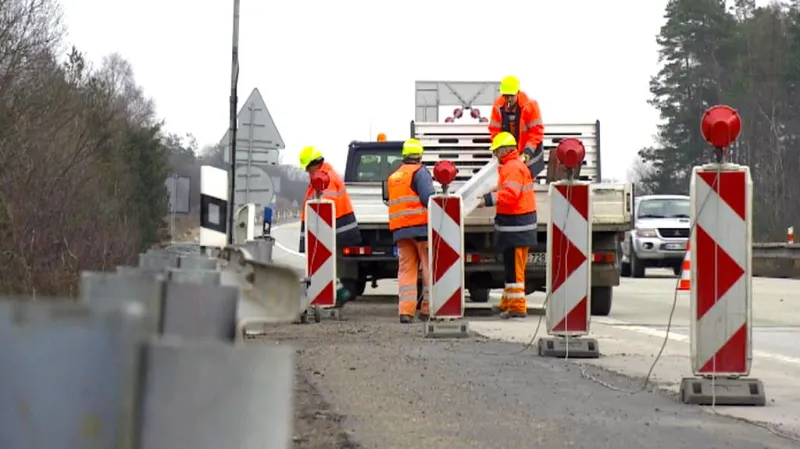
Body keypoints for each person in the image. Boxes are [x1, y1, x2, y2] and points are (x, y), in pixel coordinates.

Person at [476, 132, 537, 319]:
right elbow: (508, 191)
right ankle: (508, 303)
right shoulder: (512, 166)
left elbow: (510, 195)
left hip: (516, 226)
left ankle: (517, 307)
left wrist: (487, 200)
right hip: (516, 226)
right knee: (511, 268)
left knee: (515, 270)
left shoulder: (512, 167)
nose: (494, 154)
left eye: (496, 151)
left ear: (504, 150)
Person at [387, 138, 435, 323]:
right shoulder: (420, 172)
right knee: (428, 268)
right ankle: (427, 309)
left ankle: (405, 311)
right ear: (419, 156)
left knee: (406, 269)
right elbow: (427, 198)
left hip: (400, 231)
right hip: (421, 229)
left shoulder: (394, 176)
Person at [298, 146, 362, 254]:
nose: (307, 171)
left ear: (315, 164)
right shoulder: (322, 177)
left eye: (308, 167)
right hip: (334, 234)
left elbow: (325, 210)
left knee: (328, 267)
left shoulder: (325, 179)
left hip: (333, 235)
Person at [488, 75, 546, 179]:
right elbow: (494, 132)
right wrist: (501, 151)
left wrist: (526, 154)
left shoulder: (530, 106)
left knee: (524, 180)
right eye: (506, 96)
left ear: (518, 93)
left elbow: (536, 133)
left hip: (528, 153)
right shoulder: (498, 107)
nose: (508, 99)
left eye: (511, 96)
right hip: (509, 155)